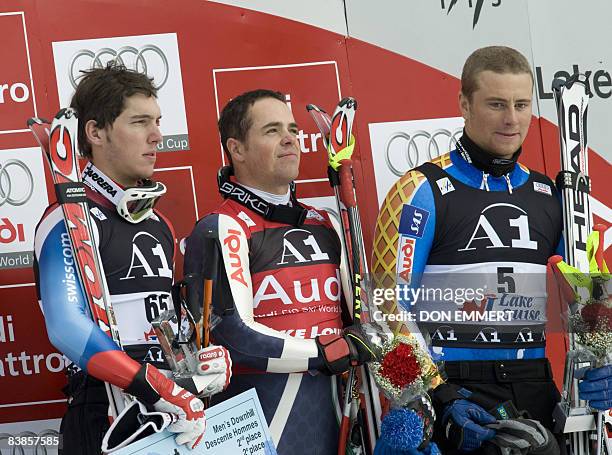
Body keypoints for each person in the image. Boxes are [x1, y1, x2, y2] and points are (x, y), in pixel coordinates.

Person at [370, 46, 593, 454]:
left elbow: (589, 298)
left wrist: (603, 359)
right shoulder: (421, 190)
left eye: (522, 104)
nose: (512, 119)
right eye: (496, 104)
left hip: (534, 386)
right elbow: (383, 311)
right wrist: (436, 394)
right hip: (455, 389)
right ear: (464, 105)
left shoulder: (552, 196)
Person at [33, 63, 231, 453]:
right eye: (140, 122)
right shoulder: (67, 219)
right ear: (95, 132)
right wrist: (150, 386)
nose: (157, 136)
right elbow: (65, 326)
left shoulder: (159, 223)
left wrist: (201, 360)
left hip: (170, 404)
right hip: (104, 404)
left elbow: (168, 320)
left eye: (157, 121)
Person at [184, 89, 376, 454]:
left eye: (291, 128)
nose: (290, 138)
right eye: (272, 130)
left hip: (336, 420)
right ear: (236, 149)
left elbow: (358, 324)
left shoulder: (326, 223)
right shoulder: (222, 227)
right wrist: (325, 351)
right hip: (259, 427)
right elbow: (232, 339)